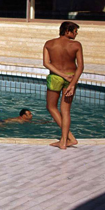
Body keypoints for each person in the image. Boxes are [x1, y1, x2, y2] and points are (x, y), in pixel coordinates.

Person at [44, 21, 83, 149]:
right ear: (67, 31)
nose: (76, 34)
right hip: (71, 76)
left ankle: (66, 139)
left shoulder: (49, 44)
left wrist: (62, 75)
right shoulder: (76, 45)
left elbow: (46, 63)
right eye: (75, 31)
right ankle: (66, 140)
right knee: (65, 110)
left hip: (56, 77)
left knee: (51, 107)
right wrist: (71, 83)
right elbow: (80, 67)